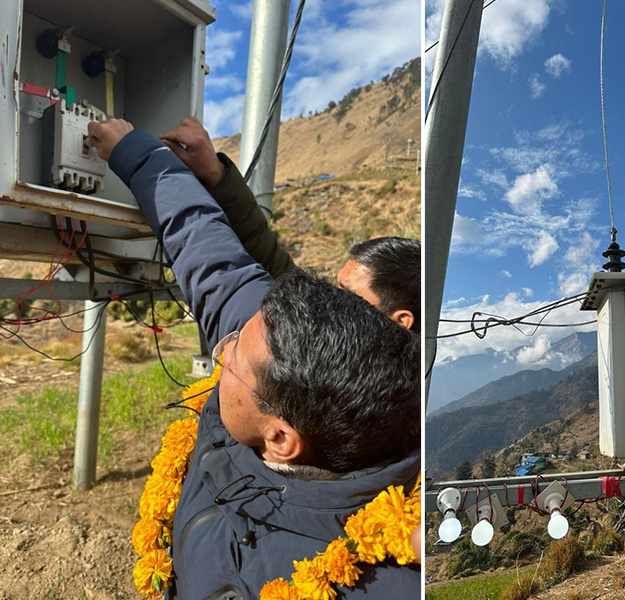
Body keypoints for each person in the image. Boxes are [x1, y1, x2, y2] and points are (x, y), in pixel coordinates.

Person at [87, 119, 420, 600]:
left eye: (234, 358)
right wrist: (146, 157)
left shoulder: (379, 570)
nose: (220, 347)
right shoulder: (281, 341)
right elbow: (211, 252)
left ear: (281, 438)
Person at [158, 118, 420, 333]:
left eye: (349, 295)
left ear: (400, 323)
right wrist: (215, 173)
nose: (332, 299)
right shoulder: (329, 331)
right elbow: (268, 255)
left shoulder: (355, 384)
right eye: (337, 287)